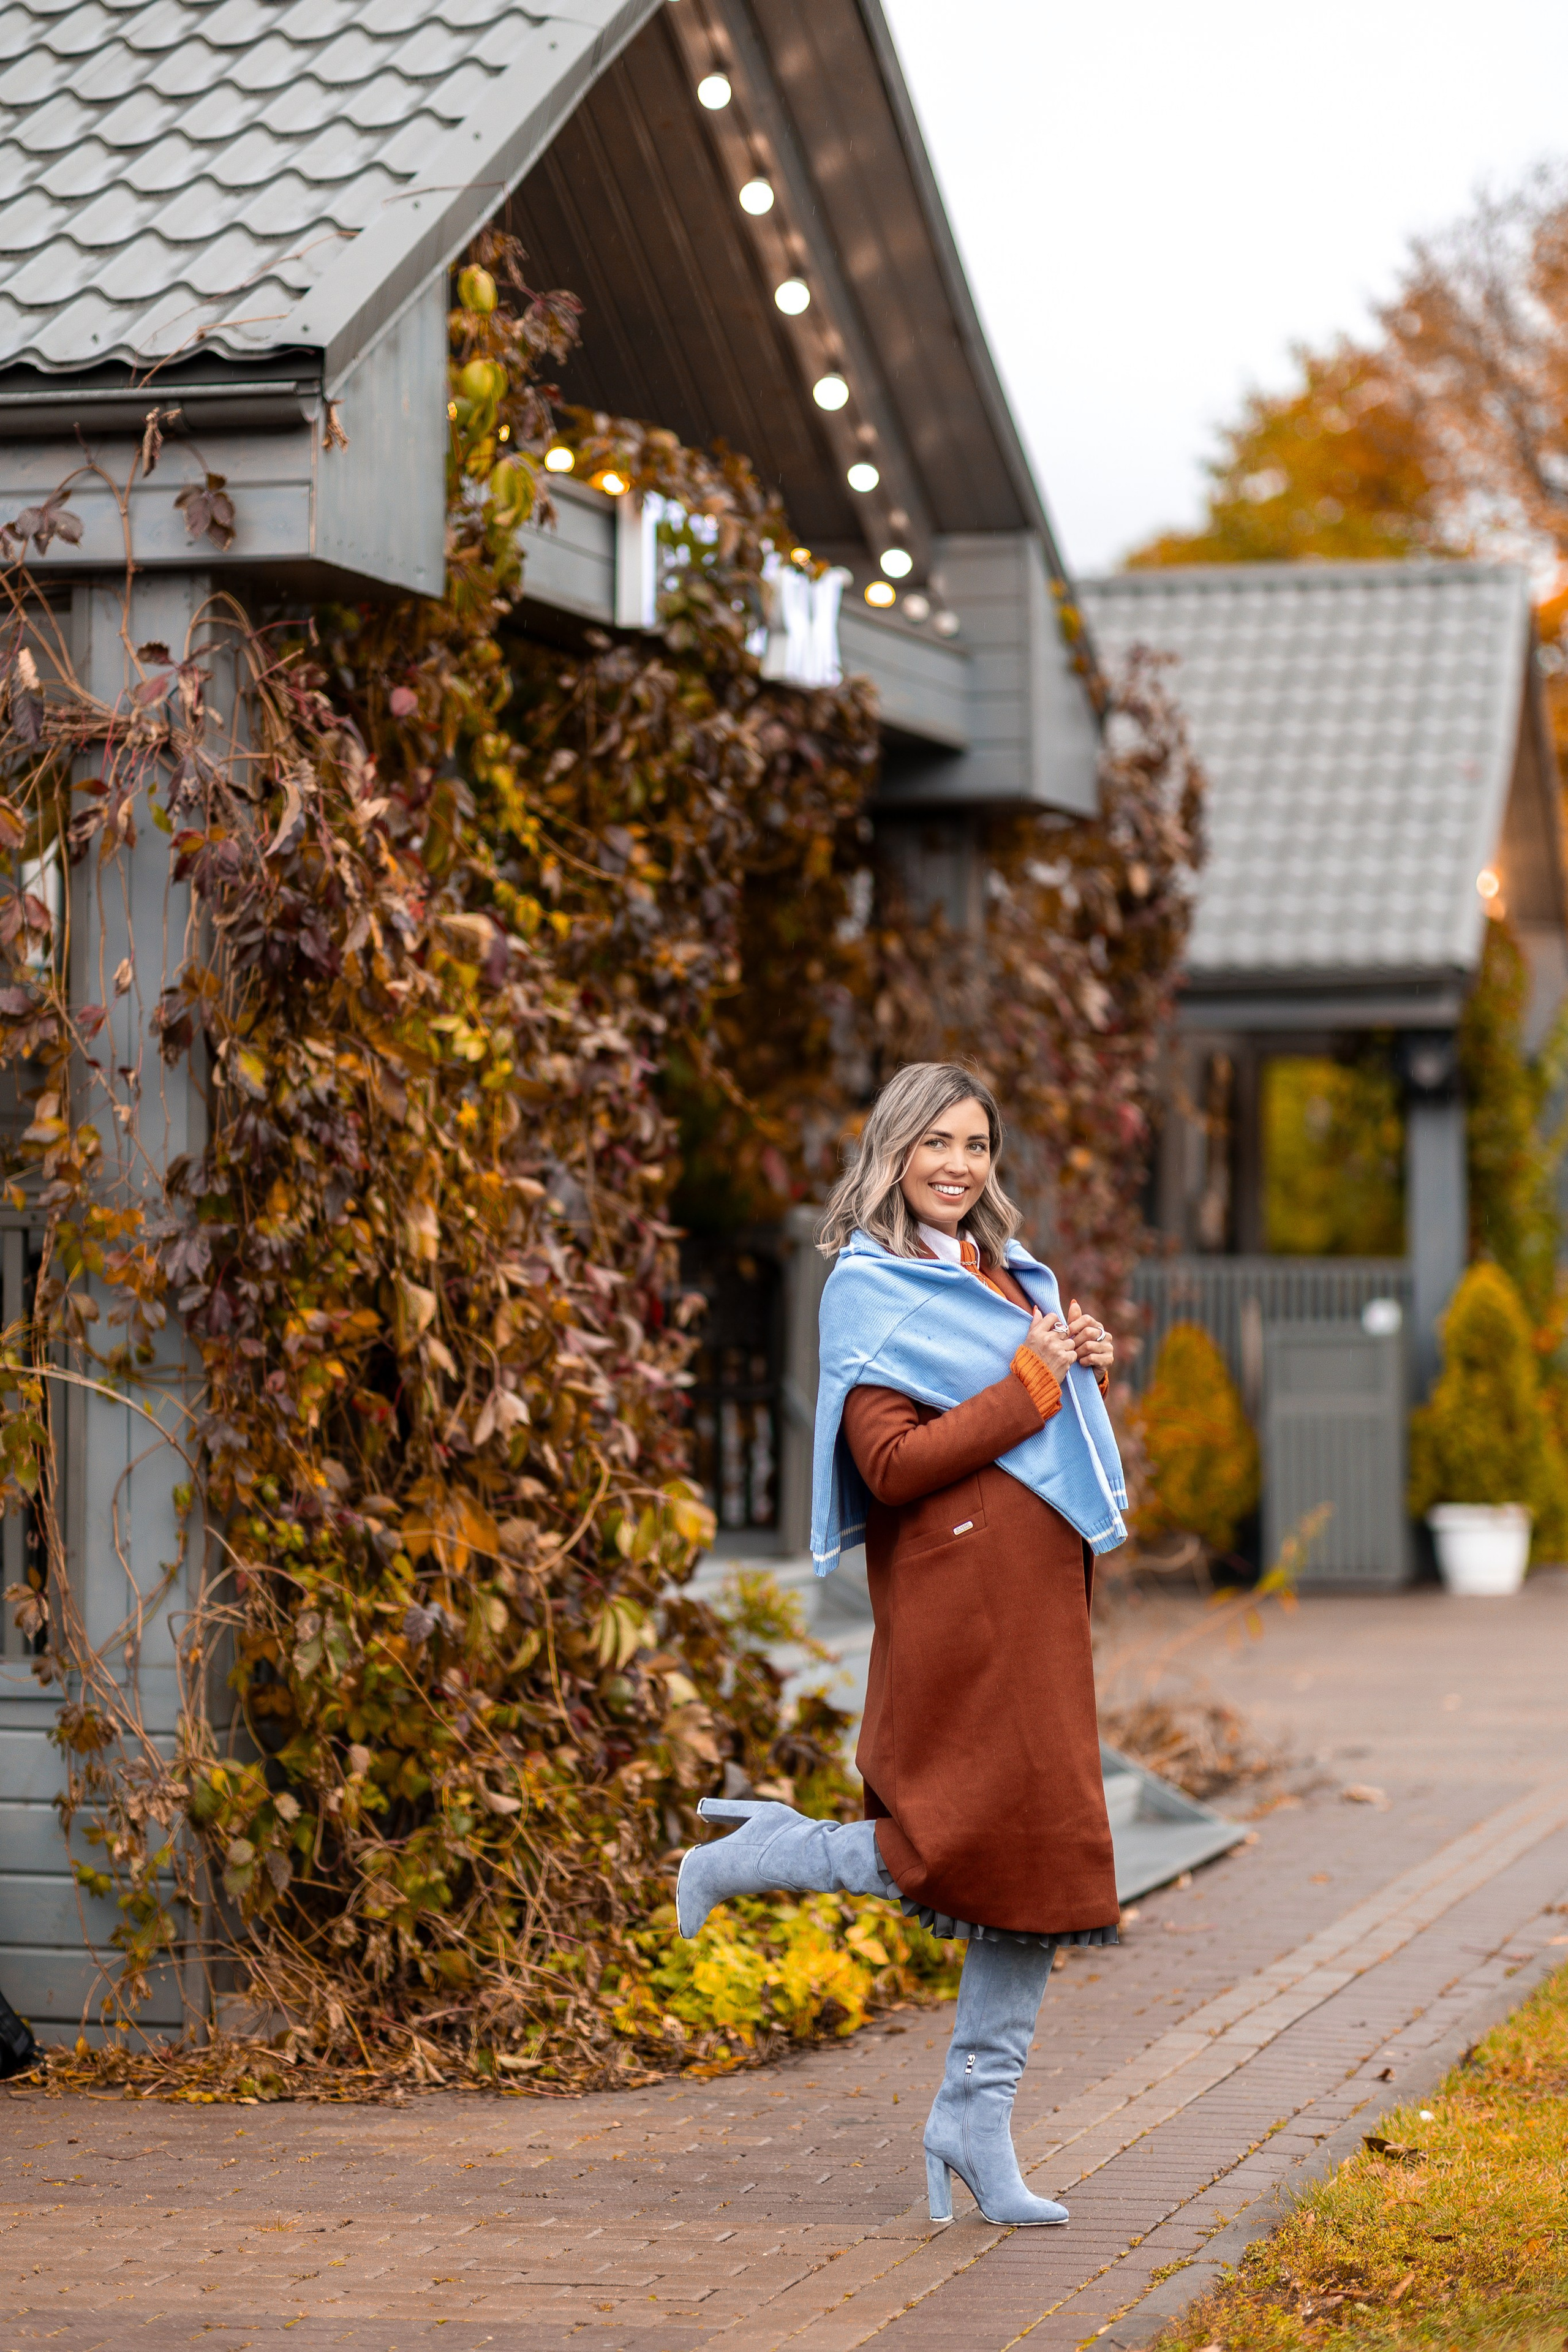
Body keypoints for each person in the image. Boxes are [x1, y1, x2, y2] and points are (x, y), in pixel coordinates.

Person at [677, 1063, 1126, 2229]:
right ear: (893, 1151)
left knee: (1040, 1859)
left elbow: (1045, 1424)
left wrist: (1081, 1371)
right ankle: (767, 1853)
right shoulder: (870, 1288)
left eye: (976, 1145)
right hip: (956, 1605)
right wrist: (1029, 1387)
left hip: (1037, 1601)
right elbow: (888, 1465)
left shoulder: (1006, 1274)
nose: (957, 1166)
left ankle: (975, 2118)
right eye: (936, 1142)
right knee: (953, 1839)